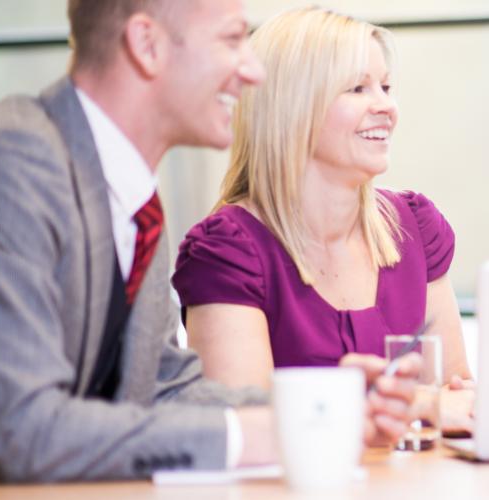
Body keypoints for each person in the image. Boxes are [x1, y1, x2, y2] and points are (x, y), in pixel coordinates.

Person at [0, 0, 419, 483]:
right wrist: (257, 436)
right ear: (147, 46)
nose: (253, 71)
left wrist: (322, 411)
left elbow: (165, 385)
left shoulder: (130, 193)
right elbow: (26, 436)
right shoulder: (9, 169)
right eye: (231, 41)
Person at [171, 7, 471, 390]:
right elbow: (247, 426)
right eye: (357, 88)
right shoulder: (226, 254)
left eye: (386, 87)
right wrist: (413, 409)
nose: (385, 106)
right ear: (294, 106)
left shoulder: (416, 228)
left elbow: (455, 397)